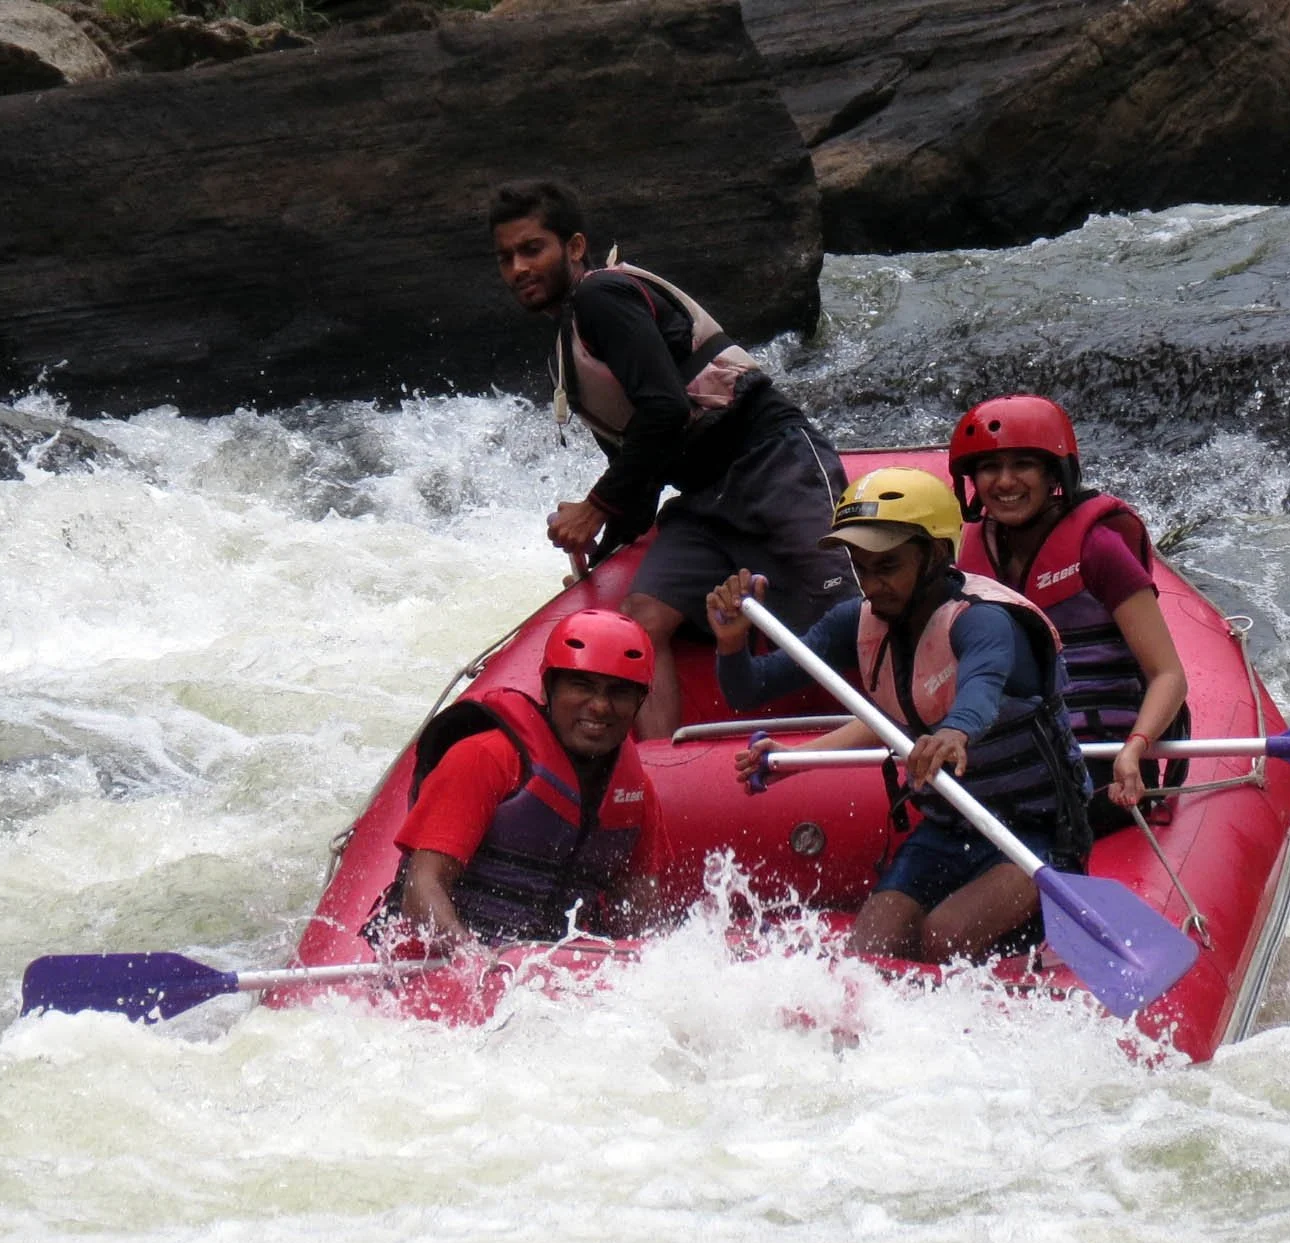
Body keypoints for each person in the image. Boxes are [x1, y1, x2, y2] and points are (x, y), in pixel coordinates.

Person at [490, 178, 856, 740]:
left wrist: (593, 505)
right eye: (506, 257)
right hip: (705, 503)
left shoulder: (600, 298)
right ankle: (664, 768)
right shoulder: (567, 349)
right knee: (643, 618)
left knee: (848, 605)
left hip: (771, 461)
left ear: (575, 246)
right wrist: (604, 543)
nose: (518, 268)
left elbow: (663, 410)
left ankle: (899, 734)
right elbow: (645, 470)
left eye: (532, 249)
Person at [705, 467, 1091, 965]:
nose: (871, 585)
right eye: (860, 567)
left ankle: (1037, 932)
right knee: (869, 954)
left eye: (886, 566)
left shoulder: (986, 621)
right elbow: (750, 689)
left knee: (941, 939)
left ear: (933, 555)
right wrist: (732, 642)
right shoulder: (857, 620)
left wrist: (955, 731)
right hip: (950, 828)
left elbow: (982, 686)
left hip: (1037, 833)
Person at [948, 395, 1189, 835]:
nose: (1004, 482)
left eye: (1023, 464)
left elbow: (1168, 675)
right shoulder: (972, 553)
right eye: (989, 468)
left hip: (1100, 759)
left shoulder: (1098, 549)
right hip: (1016, 756)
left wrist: (1135, 748)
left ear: (1053, 473)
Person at [368, 609, 658, 955]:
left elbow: (640, 908)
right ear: (549, 688)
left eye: (620, 693)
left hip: (556, 970)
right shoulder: (484, 758)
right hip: (443, 964)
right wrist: (477, 964)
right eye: (582, 686)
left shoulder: (635, 793)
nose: (599, 706)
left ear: (639, 703)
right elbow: (422, 887)